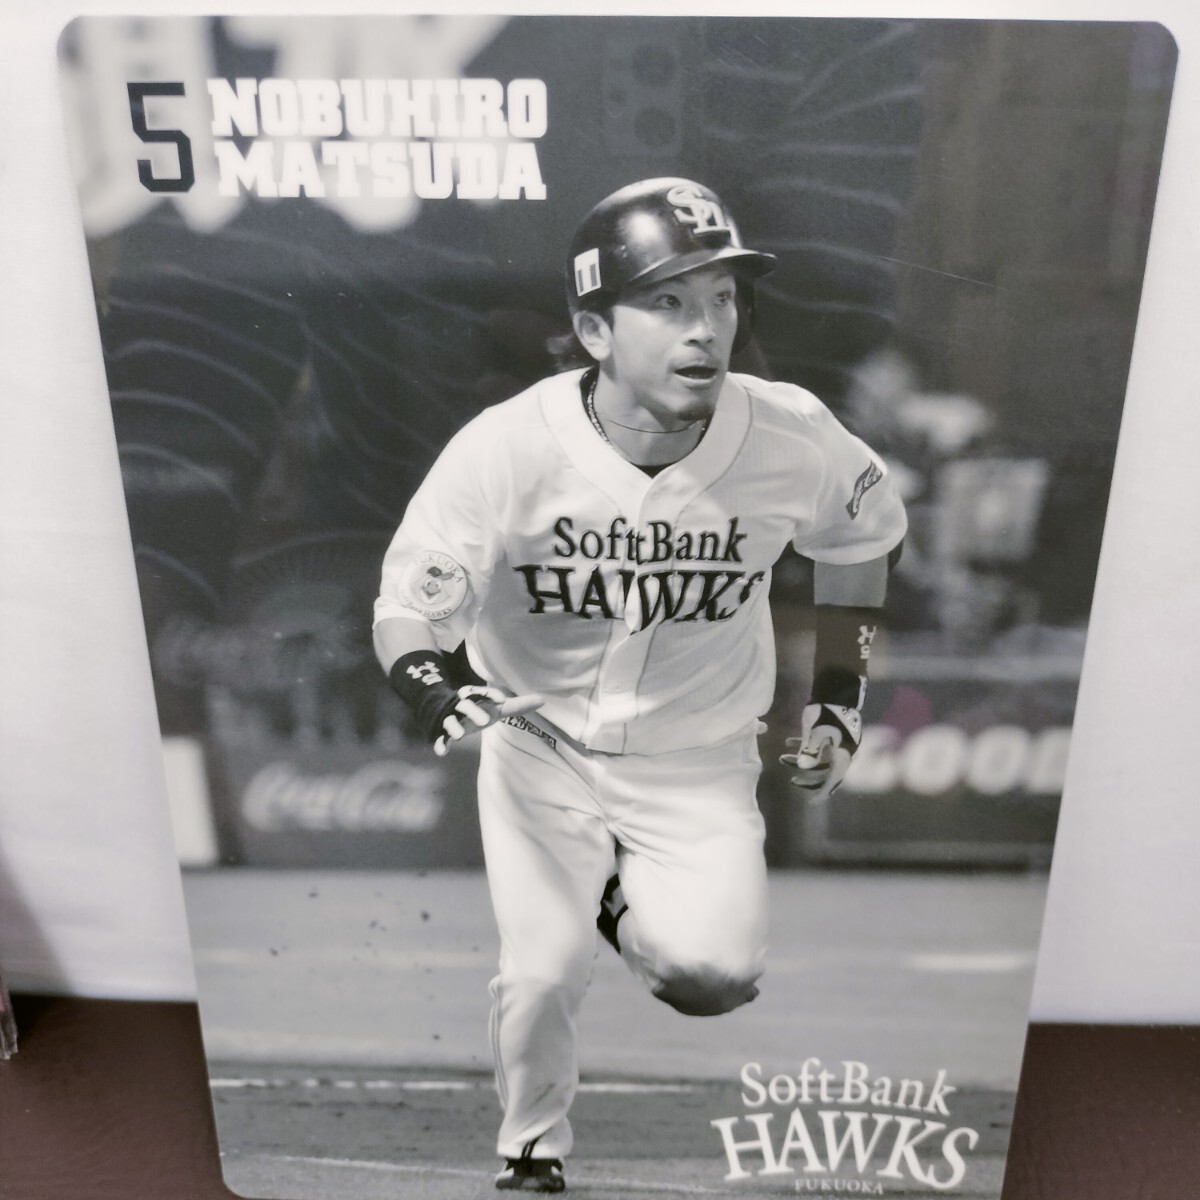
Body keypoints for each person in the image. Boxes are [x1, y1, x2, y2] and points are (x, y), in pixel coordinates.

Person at [372, 178, 907, 1192]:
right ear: (593, 330)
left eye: (722, 299)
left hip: (698, 760)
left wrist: (839, 699)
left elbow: (861, 541)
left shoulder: (791, 435)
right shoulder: (507, 448)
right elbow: (410, 605)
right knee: (542, 970)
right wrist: (436, 688)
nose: (705, 329)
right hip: (540, 747)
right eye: (667, 302)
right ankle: (532, 1153)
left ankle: (613, 897)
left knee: (713, 979)